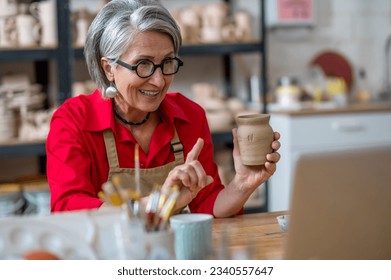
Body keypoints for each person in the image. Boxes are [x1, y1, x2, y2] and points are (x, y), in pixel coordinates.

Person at [46, 0, 281, 218]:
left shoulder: (189, 116)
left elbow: (207, 204)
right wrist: (162, 201)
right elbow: (69, 210)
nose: (159, 81)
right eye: (143, 65)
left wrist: (243, 184)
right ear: (109, 68)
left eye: (167, 62)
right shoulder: (73, 121)